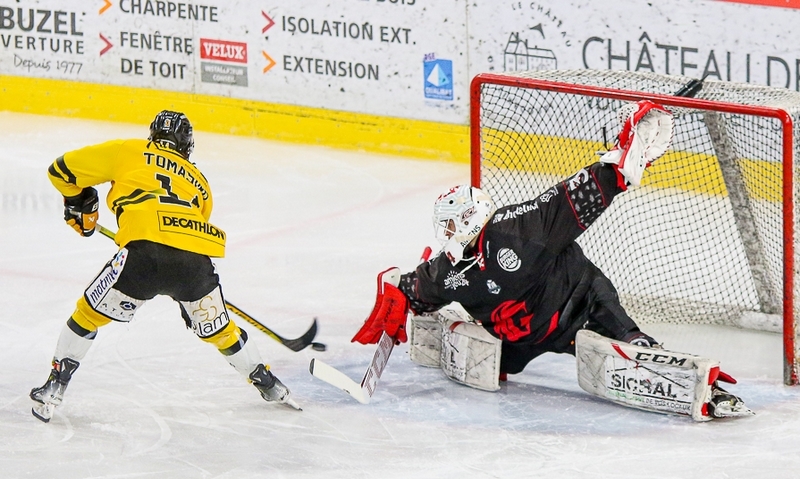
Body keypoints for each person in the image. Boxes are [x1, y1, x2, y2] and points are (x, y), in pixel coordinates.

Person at [352, 100, 750, 418]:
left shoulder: (519, 229)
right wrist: (397, 295)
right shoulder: (448, 271)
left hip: (580, 305)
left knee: (632, 346)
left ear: (468, 220)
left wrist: (620, 165)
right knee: (490, 365)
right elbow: (413, 288)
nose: (447, 234)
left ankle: (704, 389)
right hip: (520, 337)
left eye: (452, 225)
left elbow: (574, 197)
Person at [31, 110, 297, 422]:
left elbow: (59, 171)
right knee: (221, 330)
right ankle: (268, 383)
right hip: (195, 263)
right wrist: (188, 299)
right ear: (187, 146)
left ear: (152, 137)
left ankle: (54, 387)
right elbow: (186, 233)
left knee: (87, 315)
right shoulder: (201, 184)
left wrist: (81, 201)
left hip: (141, 255)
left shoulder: (129, 150)